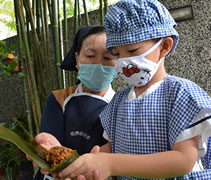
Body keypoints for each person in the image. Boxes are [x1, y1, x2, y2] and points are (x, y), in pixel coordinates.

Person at [54, 0, 211, 179]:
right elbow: (111, 148)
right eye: (117, 54)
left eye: (132, 50)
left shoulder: (180, 94)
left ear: (164, 46)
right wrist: (86, 165)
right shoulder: (118, 101)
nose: (124, 61)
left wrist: (110, 164)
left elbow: (183, 160)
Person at [32, 25, 116, 180]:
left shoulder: (121, 106)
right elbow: (49, 142)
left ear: (118, 61)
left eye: (107, 58)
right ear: (77, 59)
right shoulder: (59, 98)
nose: (98, 64)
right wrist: (48, 150)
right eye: (90, 56)